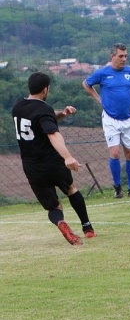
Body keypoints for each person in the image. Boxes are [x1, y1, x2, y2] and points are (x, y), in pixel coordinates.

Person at [12, 72, 96, 245]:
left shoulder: (18, 106)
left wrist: (62, 113)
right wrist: (68, 157)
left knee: (53, 207)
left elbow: (43, 119)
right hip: (52, 162)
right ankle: (87, 227)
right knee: (71, 189)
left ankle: (60, 222)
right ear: (45, 89)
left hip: (31, 166)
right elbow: (52, 133)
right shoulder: (44, 109)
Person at [83, 43, 130, 199]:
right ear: (112, 56)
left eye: (125, 56)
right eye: (120, 56)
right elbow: (86, 84)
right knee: (115, 152)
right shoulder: (102, 73)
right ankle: (117, 188)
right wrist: (99, 99)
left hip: (128, 118)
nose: (124, 59)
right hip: (110, 118)